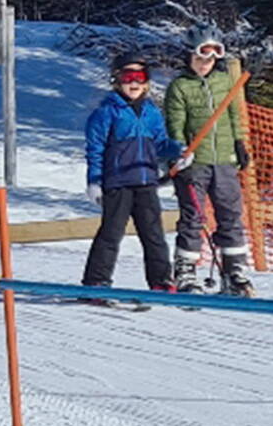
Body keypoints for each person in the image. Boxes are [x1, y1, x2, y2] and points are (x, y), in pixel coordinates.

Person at [82, 56, 190, 295]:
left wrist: (179, 151)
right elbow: (95, 149)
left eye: (139, 78)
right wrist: (94, 181)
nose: (133, 83)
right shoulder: (106, 112)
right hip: (118, 183)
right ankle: (96, 282)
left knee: (153, 235)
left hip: (145, 182)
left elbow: (160, 144)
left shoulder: (151, 112)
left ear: (147, 83)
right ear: (117, 80)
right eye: (127, 77)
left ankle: (161, 281)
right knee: (111, 234)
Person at [165, 28, 254, 296]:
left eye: (212, 59)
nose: (206, 64)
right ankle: (186, 272)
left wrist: (239, 143)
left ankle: (235, 272)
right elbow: (175, 124)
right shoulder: (180, 86)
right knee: (193, 216)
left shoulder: (225, 82)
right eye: (201, 58)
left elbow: (234, 116)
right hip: (195, 161)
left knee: (231, 214)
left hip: (224, 160)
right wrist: (179, 152)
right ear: (189, 56)